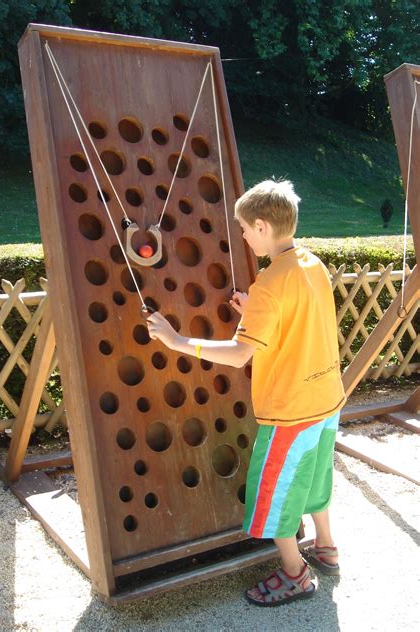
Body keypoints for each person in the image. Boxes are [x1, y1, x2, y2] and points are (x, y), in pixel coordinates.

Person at [146, 179, 346, 607]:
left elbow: (240, 355)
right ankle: (326, 546)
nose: (240, 235)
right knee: (315, 478)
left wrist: (178, 341)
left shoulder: (269, 285)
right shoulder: (313, 264)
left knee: (273, 493)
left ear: (260, 227)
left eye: (241, 228)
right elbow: (299, 320)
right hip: (327, 399)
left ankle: (296, 573)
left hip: (290, 411)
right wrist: (254, 311)